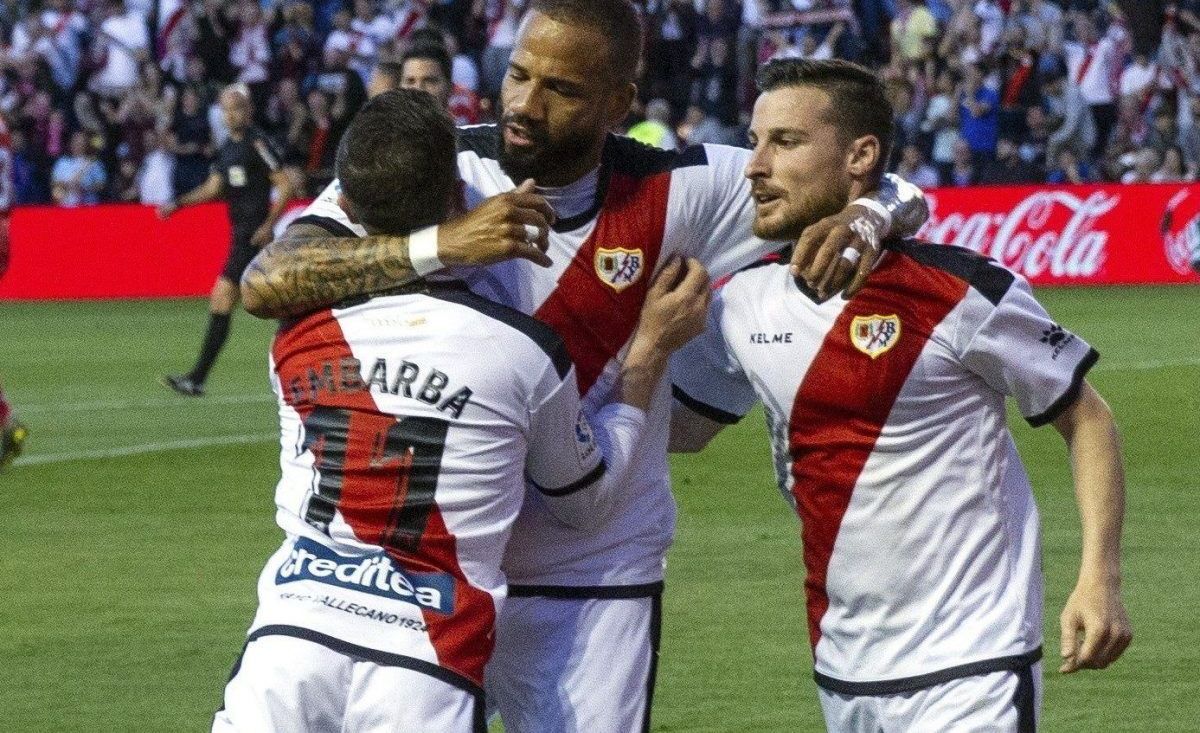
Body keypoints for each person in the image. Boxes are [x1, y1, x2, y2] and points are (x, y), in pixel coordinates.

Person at [239, 1, 931, 729]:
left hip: (591, 575)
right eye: (517, 75)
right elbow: (268, 278)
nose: (524, 105)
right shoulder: (446, 167)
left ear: (618, 102)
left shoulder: (683, 187)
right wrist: (444, 242)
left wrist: (871, 215)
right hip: (430, 577)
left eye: (560, 89)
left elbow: (878, 185)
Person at [213, 88, 712, 732]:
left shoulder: (297, 334)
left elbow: (275, 276)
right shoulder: (523, 353)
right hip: (425, 661)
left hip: (286, 647)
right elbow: (584, 503)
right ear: (459, 196)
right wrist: (647, 353)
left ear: (345, 205)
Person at [669, 58, 1133, 731]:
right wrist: (649, 345)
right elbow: (681, 429)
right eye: (754, 141)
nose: (755, 166)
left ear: (860, 157)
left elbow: (1087, 417)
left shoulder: (957, 291)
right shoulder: (741, 302)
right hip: (843, 663)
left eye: (786, 142)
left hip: (974, 659)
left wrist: (1099, 577)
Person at [159, 85, 295, 397]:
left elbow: (286, 185)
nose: (231, 115)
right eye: (226, 109)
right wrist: (178, 204)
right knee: (275, 302)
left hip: (253, 235)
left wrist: (268, 224)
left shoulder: (257, 142)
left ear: (249, 111)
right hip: (241, 234)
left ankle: (197, 378)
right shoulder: (227, 148)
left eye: (237, 108)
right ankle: (198, 379)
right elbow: (213, 188)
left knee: (224, 299)